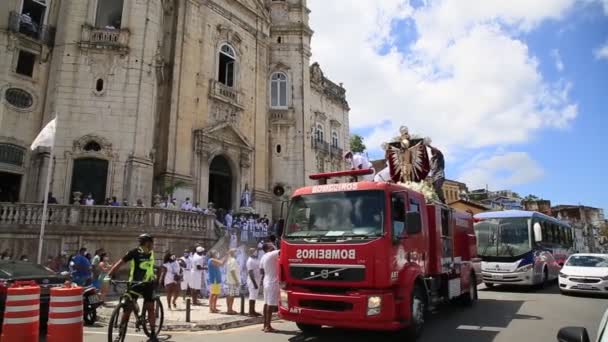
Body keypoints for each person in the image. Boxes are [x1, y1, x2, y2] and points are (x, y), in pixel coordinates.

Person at [107, 234, 159, 341]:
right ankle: (121, 332)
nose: (153, 244)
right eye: (152, 242)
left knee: (150, 308)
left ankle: (153, 334)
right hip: (135, 283)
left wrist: (154, 275)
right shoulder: (134, 252)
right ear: (147, 242)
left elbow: (150, 266)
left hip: (148, 284)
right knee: (127, 309)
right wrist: (109, 275)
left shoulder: (151, 253)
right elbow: (120, 263)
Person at [260, 243, 280, 333]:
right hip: (272, 282)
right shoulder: (272, 254)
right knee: (270, 305)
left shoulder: (263, 257)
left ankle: (264, 325)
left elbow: (261, 270)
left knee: (266, 303)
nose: (273, 246)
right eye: (271, 245)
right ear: (269, 247)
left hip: (266, 280)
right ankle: (268, 326)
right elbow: (284, 250)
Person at [246, 248, 262, 317]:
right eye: (254, 251)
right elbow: (250, 273)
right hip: (253, 281)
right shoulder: (250, 261)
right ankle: (250, 312)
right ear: (251, 252)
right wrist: (254, 283)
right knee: (252, 296)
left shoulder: (256, 259)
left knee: (254, 296)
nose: (256, 252)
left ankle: (253, 311)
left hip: (257, 280)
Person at [225, 249, 240, 315]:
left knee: (229, 295)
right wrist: (236, 281)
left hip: (229, 280)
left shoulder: (229, 260)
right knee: (231, 296)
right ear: (233, 253)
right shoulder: (233, 260)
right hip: (233, 281)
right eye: (236, 252)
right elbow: (232, 271)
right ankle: (230, 309)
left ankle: (229, 309)